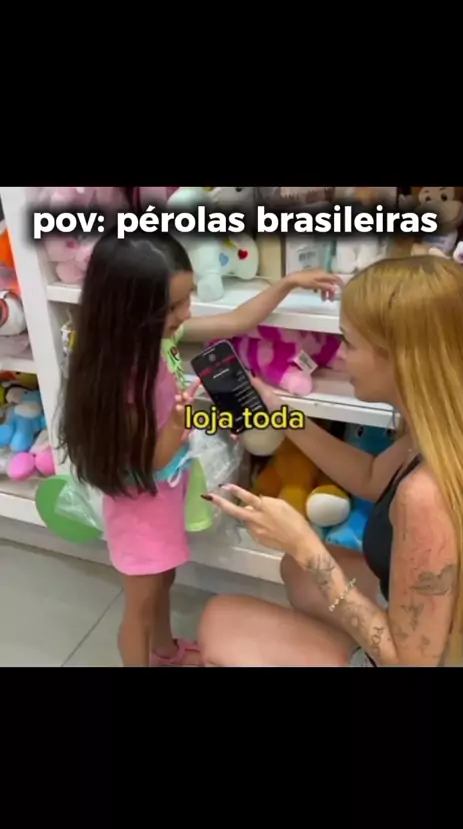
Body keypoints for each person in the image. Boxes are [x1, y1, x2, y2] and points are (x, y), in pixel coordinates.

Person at [58, 228, 340, 667]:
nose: (186, 313)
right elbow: (150, 458)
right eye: (174, 306)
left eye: (186, 299)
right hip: (140, 502)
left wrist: (287, 283)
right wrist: (180, 422)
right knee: (141, 604)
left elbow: (236, 321)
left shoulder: (158, 339)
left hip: (164, 490)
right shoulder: (120, 378)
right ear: (130, 310)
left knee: (163, 579)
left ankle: (164, 650)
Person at [198, 254, 463, 667]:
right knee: (296, 571)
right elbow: (370, 476)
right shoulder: (448, 423)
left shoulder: (426, 495)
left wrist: (307, 546)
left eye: (349, 342)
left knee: (220, 619)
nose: (342, 356)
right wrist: (280, 415)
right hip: (448, 619)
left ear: (401, 356)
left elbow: (411, 662)